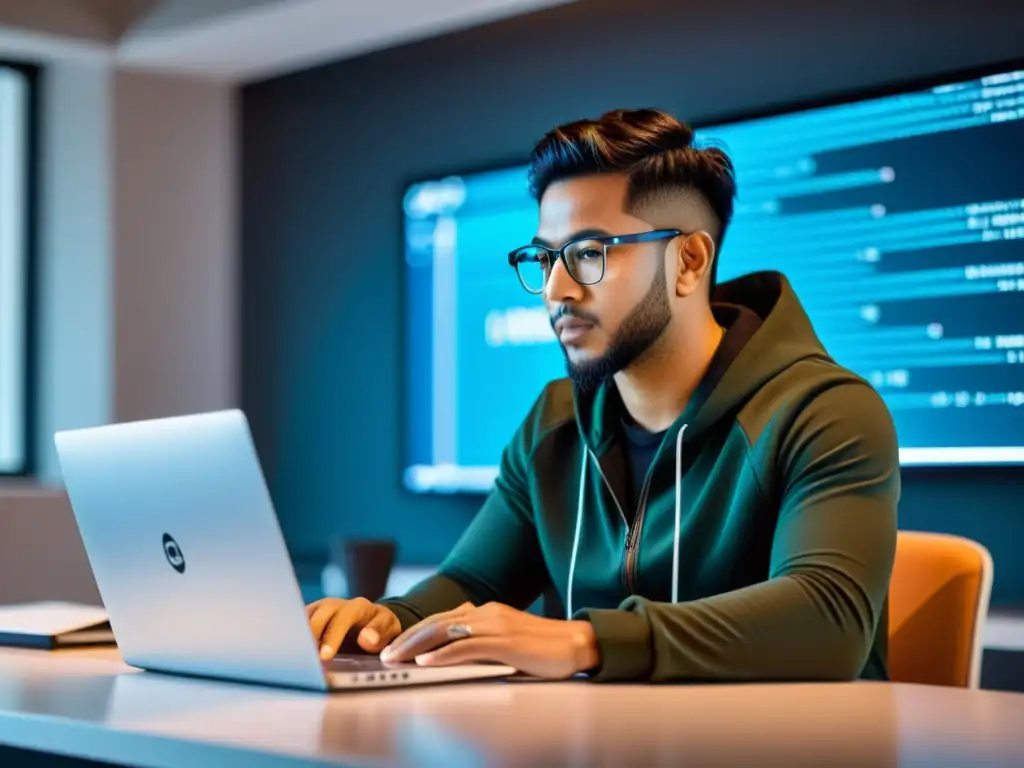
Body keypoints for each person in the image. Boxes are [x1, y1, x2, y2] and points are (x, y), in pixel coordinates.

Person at [306, 108, 901, 682]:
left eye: (590, 253)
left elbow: (829, 620)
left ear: (689, 261)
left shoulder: (825, 411)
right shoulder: (555, 419)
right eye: (545, 258)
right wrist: (387, 620)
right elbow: (471, 585)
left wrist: (585, 641)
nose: (555, 289)